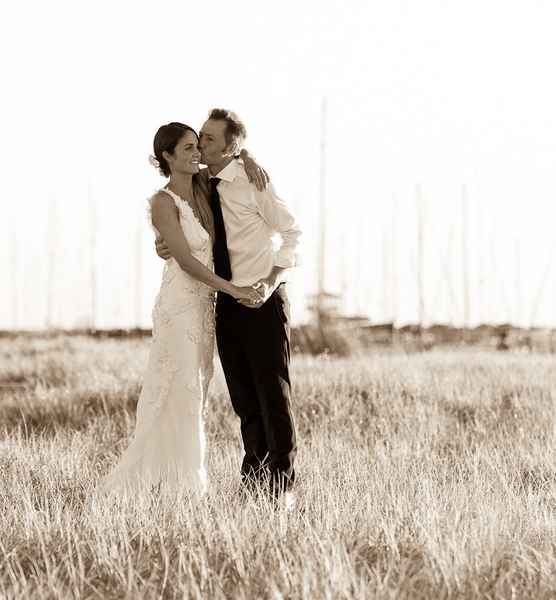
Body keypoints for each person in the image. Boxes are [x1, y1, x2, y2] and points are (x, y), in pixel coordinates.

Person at [97, 122, 265, 497]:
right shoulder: (162, 202)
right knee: (175, 391)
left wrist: (248, 156)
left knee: (195, 395)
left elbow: (230, 158)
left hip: (204, 310)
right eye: (187, 148)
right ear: (167, 156)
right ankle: (176, 487)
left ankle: (174, 485)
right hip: (179, 309)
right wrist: (232, 289)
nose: (196, 153)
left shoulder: (205, 188)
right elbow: (186, 260)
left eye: (197, 146)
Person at [156, 109, 302, 504]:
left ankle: (283, 487)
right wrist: (164, 244)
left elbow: (292, 233)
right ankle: (253, 482)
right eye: (199, 138)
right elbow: (182, 229)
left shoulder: (255, 183)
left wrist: (271, 280)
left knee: (273, 395)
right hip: (225, 303)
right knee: (242, 398)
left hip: (263, 301)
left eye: (208, 140)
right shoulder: (203, 183)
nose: (200, 145)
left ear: (230, 146)